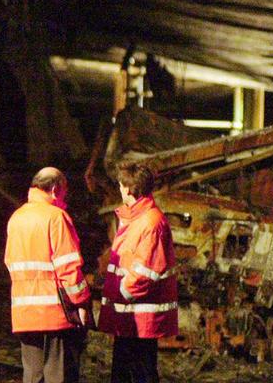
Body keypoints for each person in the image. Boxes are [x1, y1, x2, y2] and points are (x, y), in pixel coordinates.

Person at [5, 167, 91, 383]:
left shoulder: (17, 218)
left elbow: (10, 263)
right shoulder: (56, 217)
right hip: (55, 315)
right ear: (54, 190)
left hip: (24, 314)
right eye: (63, 194)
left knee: (33, 376)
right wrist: (82, 303)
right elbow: (68, 268)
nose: (64, 200)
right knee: (58, 376)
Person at [98, 163, 178, 383]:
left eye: (121, 185)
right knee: (126, 372)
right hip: (130, 316)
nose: (120, 189)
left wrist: (122, 291)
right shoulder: (138, 219)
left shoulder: (149, 222)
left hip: (138, 316)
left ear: (128, 189)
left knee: (140, 372)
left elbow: (146, 273)